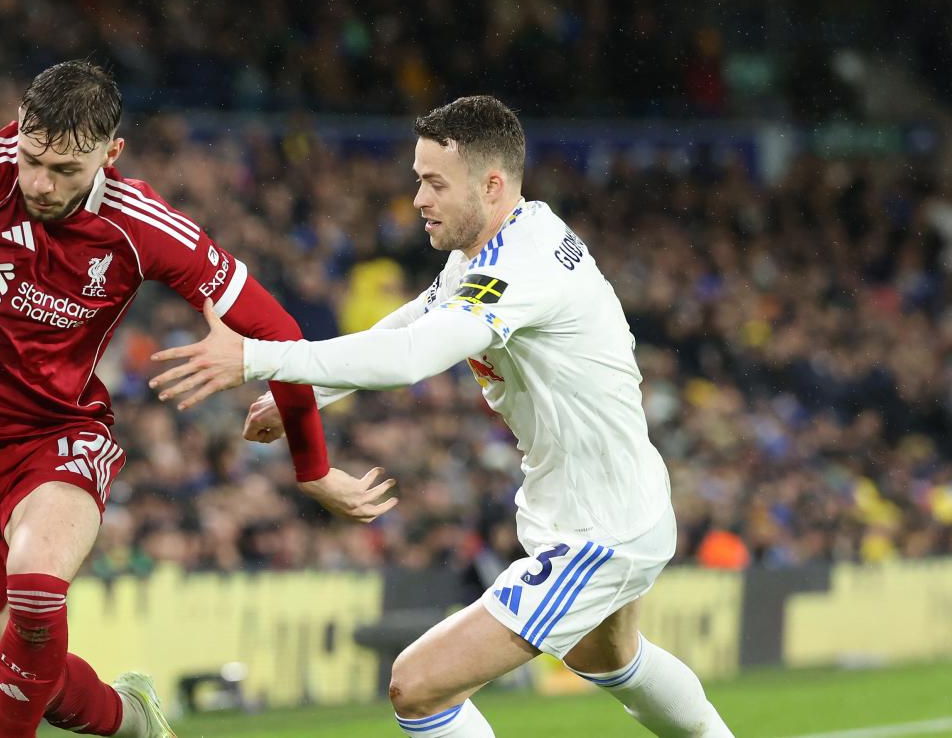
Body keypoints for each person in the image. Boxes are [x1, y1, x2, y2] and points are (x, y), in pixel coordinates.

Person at [0, 60, 393, 738]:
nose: (40, 184)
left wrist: (311, 467)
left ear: (111, 155)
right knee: (39, 685)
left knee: (35, 585)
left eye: (65, 171)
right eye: (32, 159)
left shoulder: (141, 225)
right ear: (18, 130)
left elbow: (279, 332)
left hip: (57, 435)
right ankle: (135, 720)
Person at [147, 96, 734, 737]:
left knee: (419, 686)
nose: (418, 200)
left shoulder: (521, 265)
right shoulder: (494, 245)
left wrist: (257, 357)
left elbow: (413, 356)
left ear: (491, 184)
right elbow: (413, 321)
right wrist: (310, 392)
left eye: (435, 183)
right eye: (418, 179)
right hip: (605, 497)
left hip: (603, 525)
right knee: (608, 655)